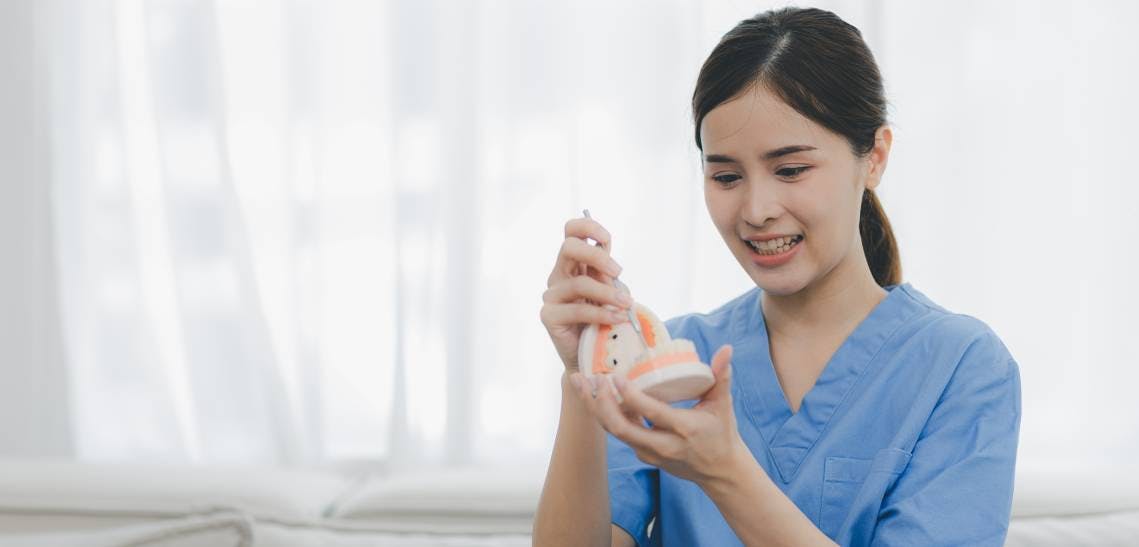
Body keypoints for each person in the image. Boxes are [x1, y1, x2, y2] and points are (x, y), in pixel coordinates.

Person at [532, 6, 1021, 546]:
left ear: (875, 157)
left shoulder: (961, 367)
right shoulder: (667, 358)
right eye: (725, 176)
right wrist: (585, 375)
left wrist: (725, 472)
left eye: (791, 170)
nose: (757, 208)